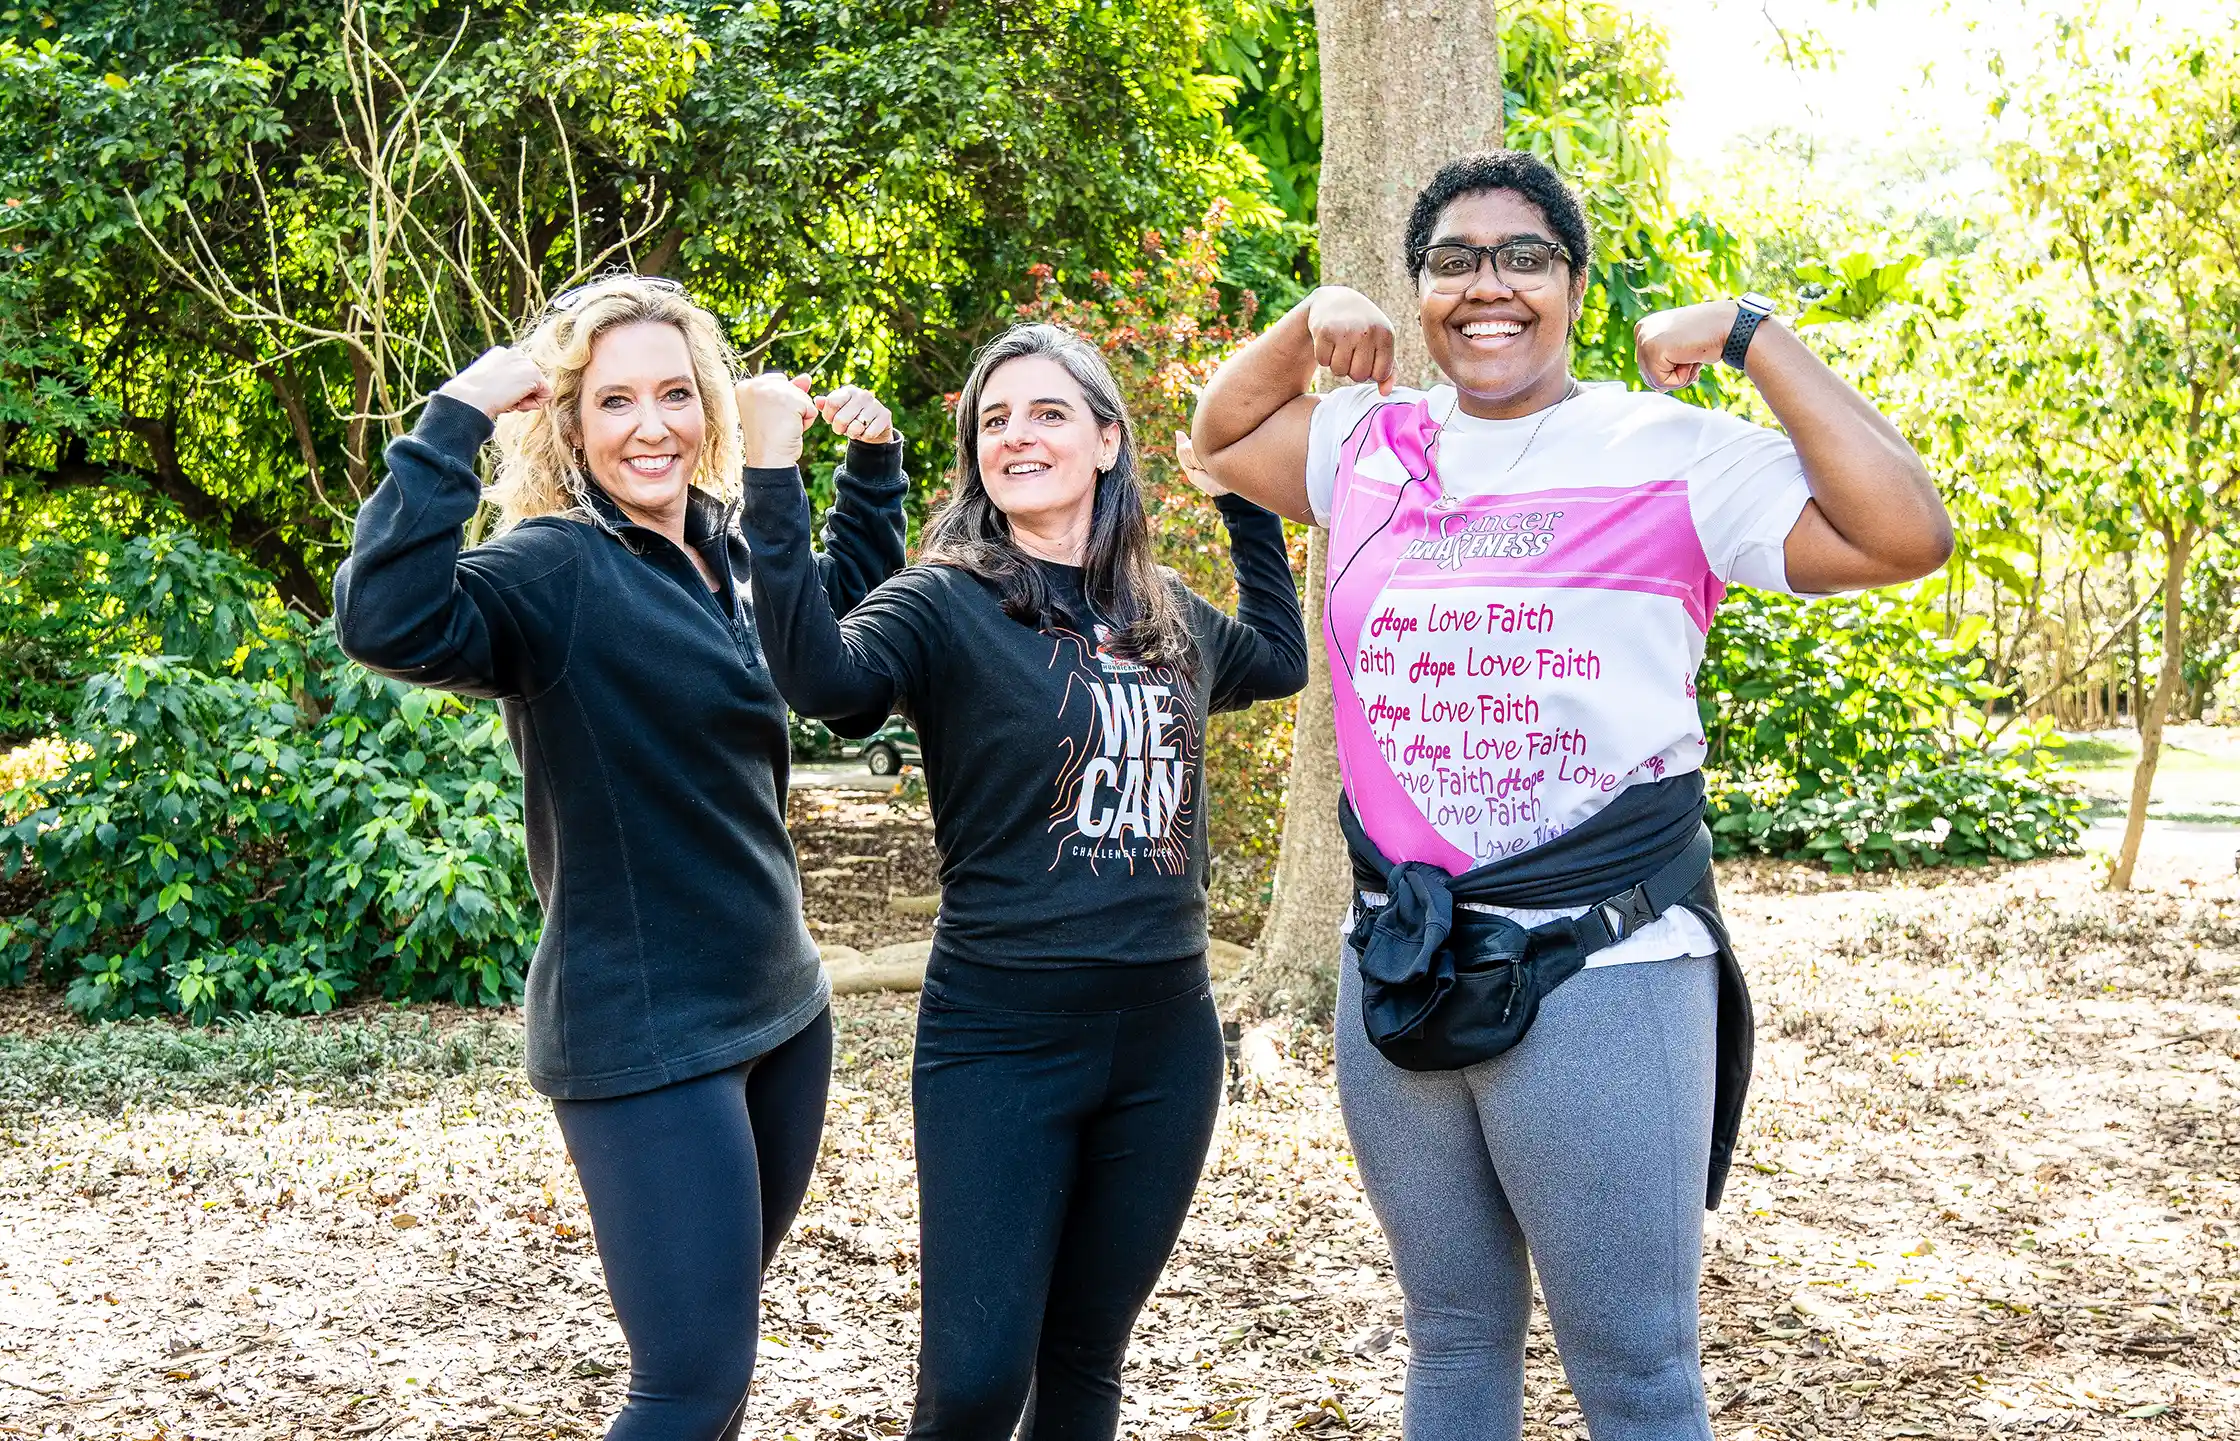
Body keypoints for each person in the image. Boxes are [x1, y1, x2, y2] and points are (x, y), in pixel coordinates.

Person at [1189, 151, 1952, 1441]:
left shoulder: (1668, 452)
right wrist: (1305, 320)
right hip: (1400, 957)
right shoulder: (1369, 445)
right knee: (1451, 1336)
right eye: (1452, 261)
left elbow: (1903, 532)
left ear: (1575, 284)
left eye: (1523, 256)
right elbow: (1214, 436)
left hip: (1604, 970)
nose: (1487, 286)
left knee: (1636, 1373)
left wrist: (1752, 337)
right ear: (1419, 293)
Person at [332, 275, 909, 1441]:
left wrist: (871, 476)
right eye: (614, 402)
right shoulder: (553, 570)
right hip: (647, 1037)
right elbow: (383, 620)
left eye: (675, 394)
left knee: (716, 1352)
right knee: (684, 1386)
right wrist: (450, 419)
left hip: (782, 1012)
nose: (652, 426)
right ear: (570, 425)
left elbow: (836, 635)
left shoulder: (723, 549)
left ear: (709, 408)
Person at [738, 322, 1308, 1440]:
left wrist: (1239, 493)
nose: (1016, 435)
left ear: (1107, 441)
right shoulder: (941, 602)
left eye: (1048, 412)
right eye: (993, 420)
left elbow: (1278, 659)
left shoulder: (1164, 615)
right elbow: (822, 682)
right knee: (974, 1384)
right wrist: (771, 474)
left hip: (1164, 1037)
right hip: (1001, 1035)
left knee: (1085, 1364)